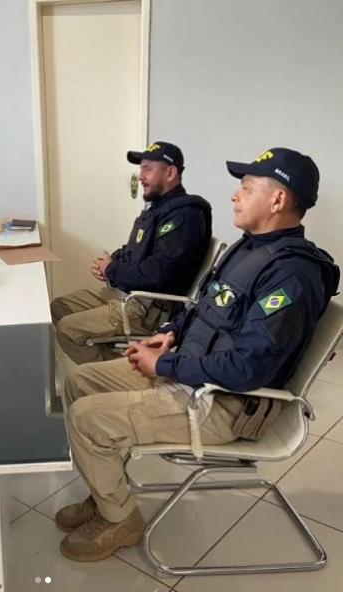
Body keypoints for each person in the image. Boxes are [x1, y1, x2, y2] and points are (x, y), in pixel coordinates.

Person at [55, 147, 339, 562]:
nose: (234, 197)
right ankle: (105, 494)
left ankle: (120, 519)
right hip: (191, 369)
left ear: (277, 200)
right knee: (79, 382)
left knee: (88, 419)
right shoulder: (248, 249)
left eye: (245, 188)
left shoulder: (292, 275)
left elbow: (248, 368)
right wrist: (169, 335)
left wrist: (165, 365)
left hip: (223, 403)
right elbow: (201, 306)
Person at [50, 142, 212, 365]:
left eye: (147, 168)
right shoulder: (158, 210)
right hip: (127, 293)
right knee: (60, 307)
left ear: (171, 172)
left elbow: (158, 274)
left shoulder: (185, 216)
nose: (141, 176)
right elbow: (134, 251)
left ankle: (114, 378)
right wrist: (111, 263)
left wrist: (112, 270)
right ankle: (116, 364)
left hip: (148, 308)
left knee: (69, 330)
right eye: (141, 168)